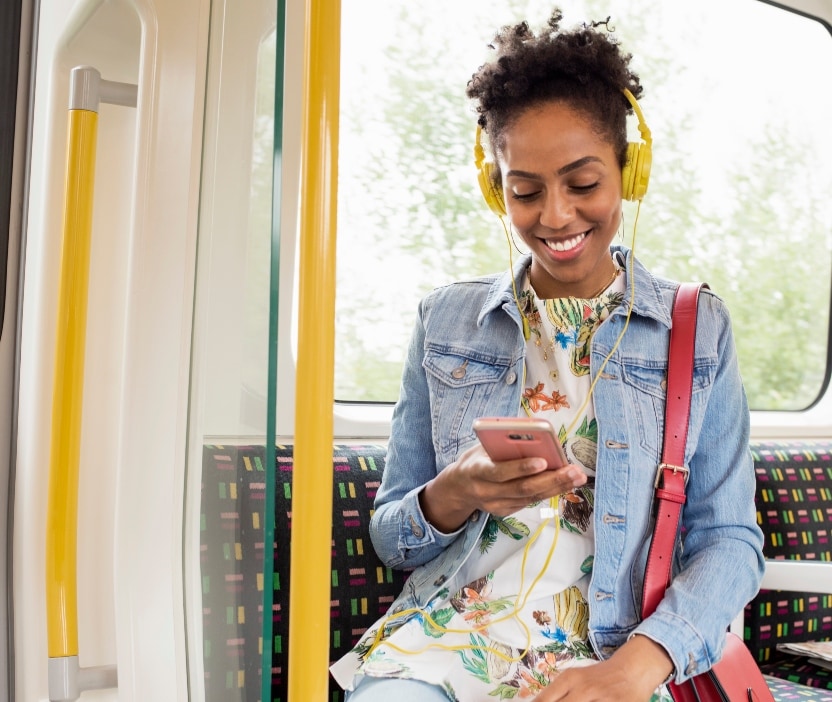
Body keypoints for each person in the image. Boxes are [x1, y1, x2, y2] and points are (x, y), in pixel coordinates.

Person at [331, 8, 765, 701]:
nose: (555, 217)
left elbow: (731, 542)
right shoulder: (445, 321)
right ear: (493, 186)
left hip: (609, 652)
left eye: (583, 184)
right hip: (444, 643)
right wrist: (453, 493)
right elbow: (391, 538)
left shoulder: (697, 327)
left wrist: (638, 665)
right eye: (524, 191)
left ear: (630, 170)